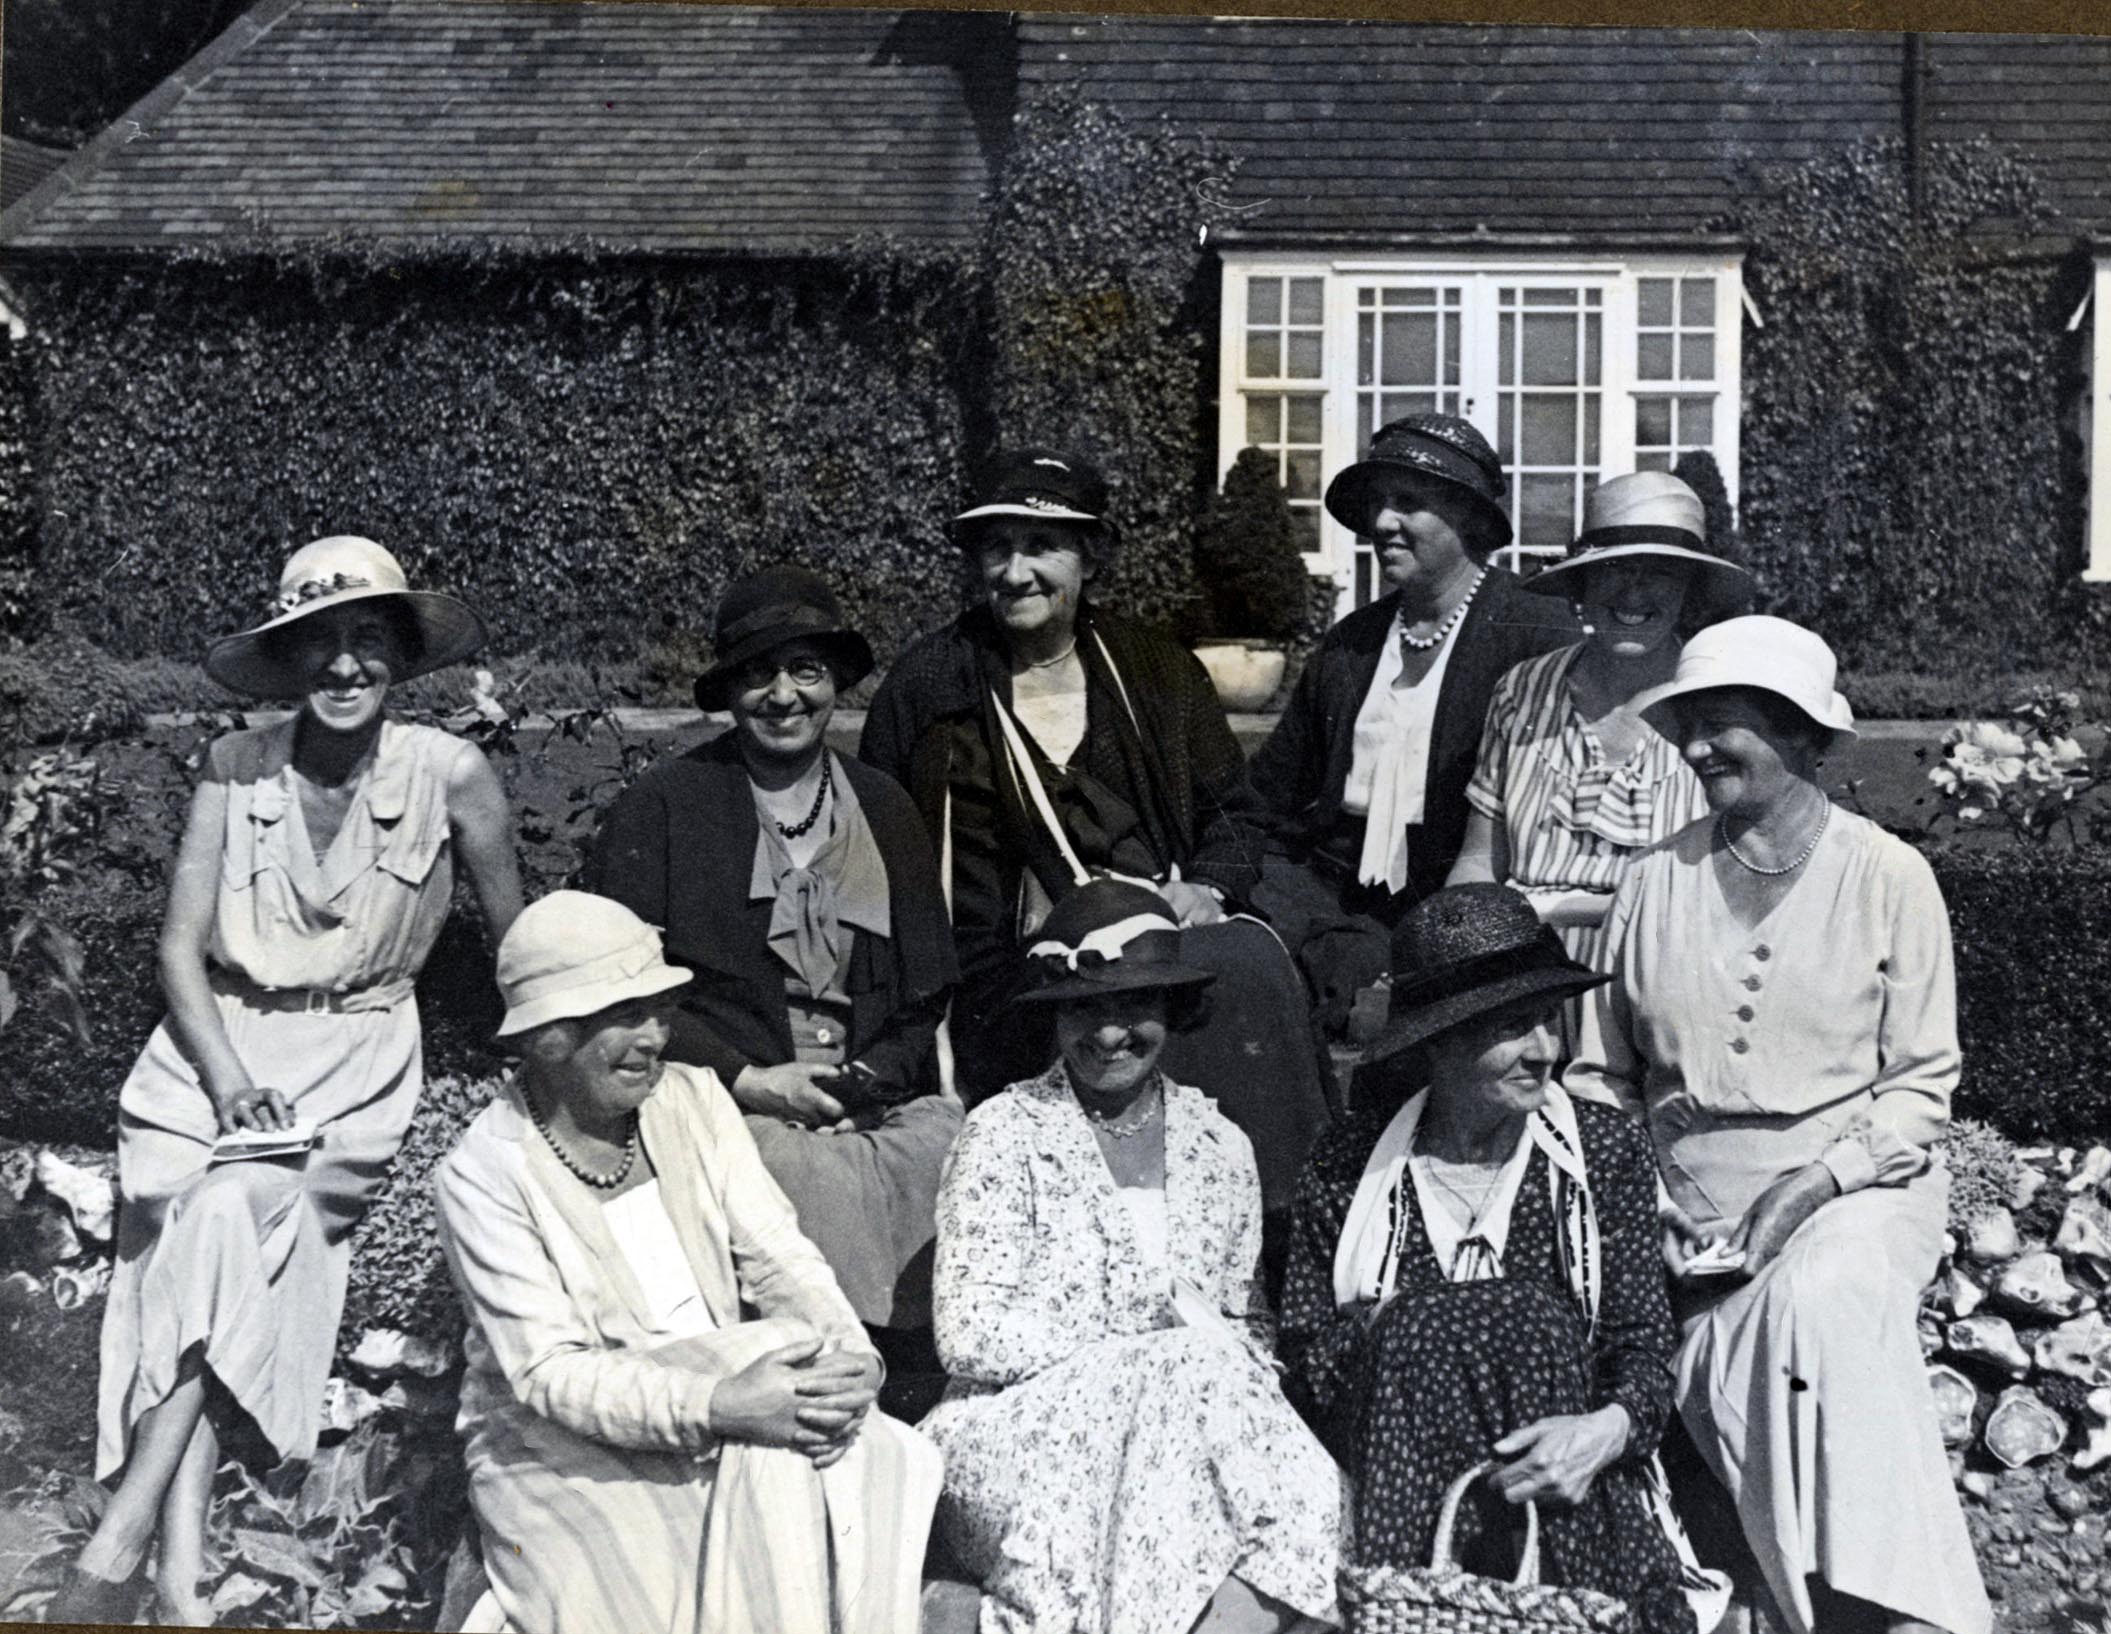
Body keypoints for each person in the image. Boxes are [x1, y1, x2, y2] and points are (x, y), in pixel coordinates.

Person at [55, 537, 523, 1625]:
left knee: (227, 1210)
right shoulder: (234, 766)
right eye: (320, 643)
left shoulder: (449, 772)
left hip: (350, 1058)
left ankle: (124, 1538)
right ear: (288, 658)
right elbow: (180, 951)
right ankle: (179, 1577)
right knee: (188, 1218)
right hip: (209, 1057)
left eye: (368, 640)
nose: (345, 666)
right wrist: (227, 1083)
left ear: (400, 655)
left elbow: (519, 943)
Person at [1566, 616, 1991, 1634]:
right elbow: (1597, 1077)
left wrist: (1808, 1187)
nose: (1696, 747)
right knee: (1747, 1323)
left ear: (1800, 733)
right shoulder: (1649, 880)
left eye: (1722, 723)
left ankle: (1897, 1611)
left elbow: (1919, 1086)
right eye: (1687, 726)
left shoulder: (1887, 877)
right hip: (1687, 1204)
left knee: (1820, 1293)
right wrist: (1646, 1198)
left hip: (1853, 1184)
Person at [432, 892, 941, 1634]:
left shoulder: (694, 1101)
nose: (655, 1039)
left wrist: (850, 1356)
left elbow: (778, 1257)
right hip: (561, 1447)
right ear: (549, 1037)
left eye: (661, 1012)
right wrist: (720, 1406)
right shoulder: (483, 1173)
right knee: (773, 1451)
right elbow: (549, 1375)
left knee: (871, 1449)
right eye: (627, 1015)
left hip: (736, 1393)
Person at [861, 448, 1333, 1239]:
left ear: (1090, 557)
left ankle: (1273, 1230)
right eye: (996, 547)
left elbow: (1235, 812)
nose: (1015, 572)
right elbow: (884, 849)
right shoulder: (928, 688)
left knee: (1247, 965)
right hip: (1008, 964)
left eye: (1041, 546)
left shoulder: (1154, 670)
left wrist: (1208, 887)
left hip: (1158, 935)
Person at [923, 880, 1343, 1634]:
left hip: (1184, 1427)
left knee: (1278, 1488)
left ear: (1173, 1009)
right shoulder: (1004, 1131)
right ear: (1055, 1016)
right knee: (1181, 1386)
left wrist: (1198, 1361)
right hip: (1016, 1432)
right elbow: (968, 1334)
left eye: (1134, 1005)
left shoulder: (1221, 1146)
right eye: (1083, 1009)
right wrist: (1147, 1350)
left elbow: (1247, 1325)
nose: (1109, 1033)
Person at [1278, 883, 1699, 1634]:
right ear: (1438, 1041)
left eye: (1547, 1020)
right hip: (1404, 1495)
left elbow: (1640, 1348)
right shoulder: (1350, 1163)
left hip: (1569, 1491)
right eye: (1511, 1027)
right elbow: (1308, 1358)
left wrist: (1599, 1434)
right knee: (1488, 1315)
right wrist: (1418, 1330)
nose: (1545, 1050)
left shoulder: (1603, 1151)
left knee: (1527, 1317)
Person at [588, 565, 961, 1338]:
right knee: (790, 1177)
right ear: (730, 690)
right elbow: (623, 987)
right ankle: (828, 1362)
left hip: (866, 1100)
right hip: (722, 1098)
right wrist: (751, 1081)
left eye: (806, 670)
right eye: (758, 674)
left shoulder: (884, 805)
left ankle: (915, 1364)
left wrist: (864, 1080)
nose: (783, 695)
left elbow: (924, 994)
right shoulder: (663, 806)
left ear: (836, 684)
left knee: (949, 1153)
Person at [1447, 472, 1751, 1029]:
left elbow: (1748, 885)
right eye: (1614, 570)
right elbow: (1479, 859)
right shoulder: (1522, 690)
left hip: (1667, 985)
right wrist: (1460, 952)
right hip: (1520, 980)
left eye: (1660, 572)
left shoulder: (1721, 705)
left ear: (1689, 590)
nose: (1634, 594)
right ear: (1582, 584)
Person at [1251, 415, 1573, 931]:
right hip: (1329, 892)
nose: (1381, 523)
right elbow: (1269, 793)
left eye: (1407, 502)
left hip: (1466, 896)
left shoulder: (1534, 630)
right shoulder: (1352, 642)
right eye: (1377, 503)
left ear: (1468, 515)